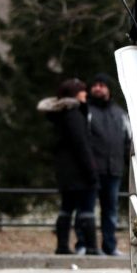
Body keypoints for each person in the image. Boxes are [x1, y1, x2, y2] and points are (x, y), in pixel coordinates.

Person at [37, 78, 98, 255]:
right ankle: (91, 246)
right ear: (74, 94)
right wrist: (91, 170)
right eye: (82, 90)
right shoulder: (74, 115)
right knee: (86, 208)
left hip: (66, 171)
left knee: (67, 207)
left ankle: (62, 245)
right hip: (78, 170)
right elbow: (81, 145)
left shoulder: (61, 115)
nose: (85, 93)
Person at [87, 73, 132, 257]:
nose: (98, 88)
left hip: (114, 170)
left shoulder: (120, 114)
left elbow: (128, 141)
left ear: (109, 89)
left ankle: (109, 246)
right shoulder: (86, 112)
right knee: (87, 210)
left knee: (110, 211)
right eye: (95, 85)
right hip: (91, 170)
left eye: (102, 85)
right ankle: (86, 245)